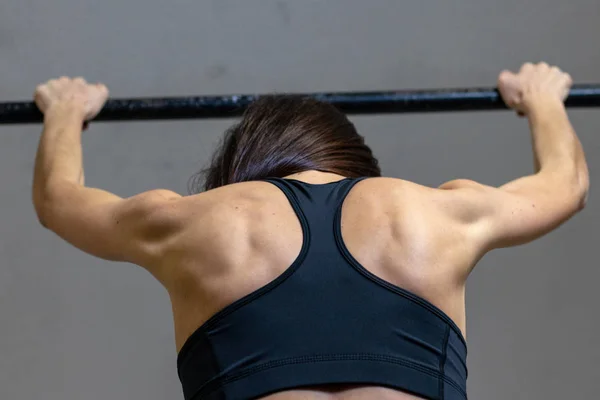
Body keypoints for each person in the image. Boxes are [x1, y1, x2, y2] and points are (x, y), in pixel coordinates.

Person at [32, 62, 588, 400]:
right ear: (357, 167)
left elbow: (59, 200)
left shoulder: (192, 224)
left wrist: (66, 109)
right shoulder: (435, 215)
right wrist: (541, 100)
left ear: (243, 166)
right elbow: (565, 185)